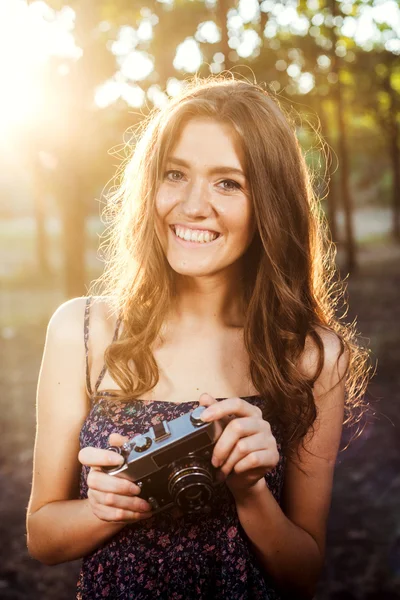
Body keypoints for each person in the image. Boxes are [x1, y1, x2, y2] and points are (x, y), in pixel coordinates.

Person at [26, 75, 369, 600]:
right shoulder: (84, 331)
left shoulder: (313, 357)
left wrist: (250, 490)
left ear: (269, 204)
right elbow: (44, 537)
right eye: (175, 174)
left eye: (227, 182)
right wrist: (108, 506)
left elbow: (302, 575)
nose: (191, 205)